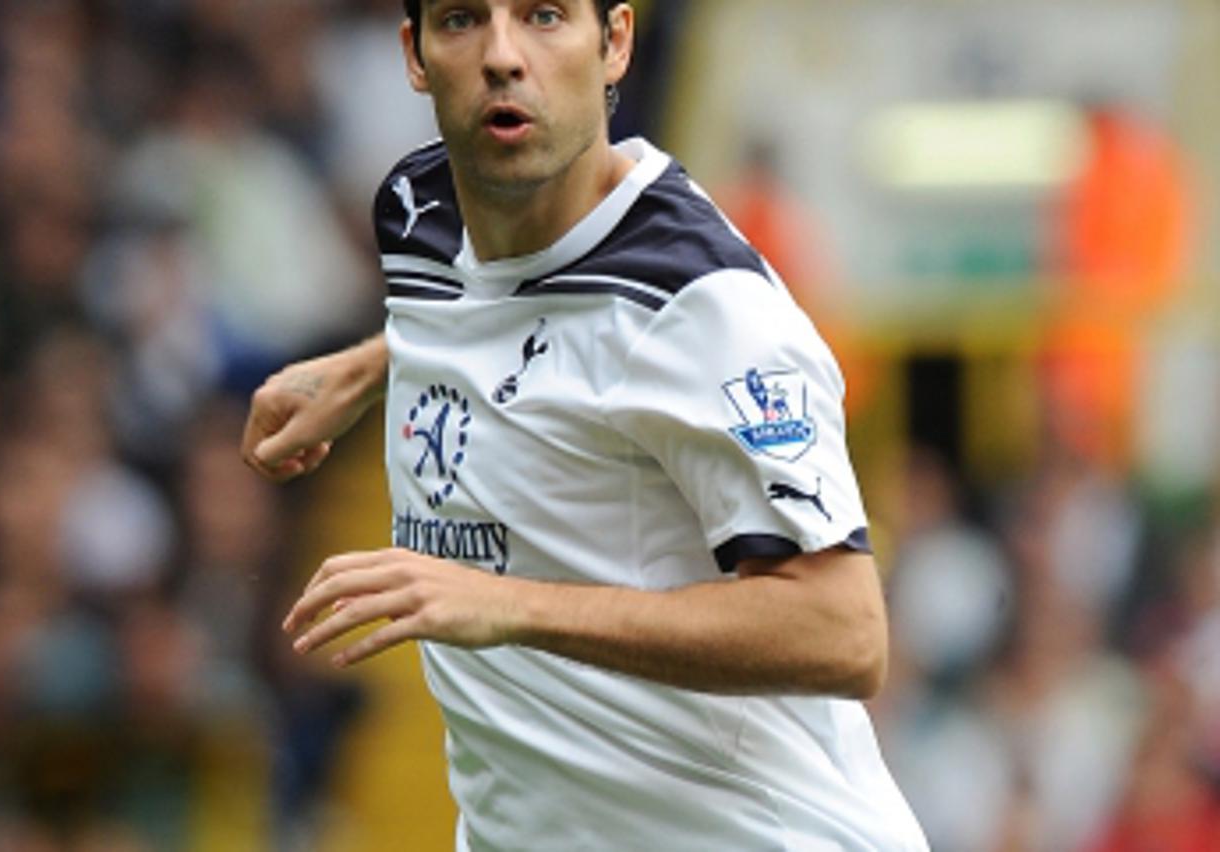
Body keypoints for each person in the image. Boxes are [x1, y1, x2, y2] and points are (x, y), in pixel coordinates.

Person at [241, 1, 928, 849]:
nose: (502, 55)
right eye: (461, 20)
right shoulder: (423, 212)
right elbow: (510, 304)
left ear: (616, 44)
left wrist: (512, 605)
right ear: (414, 56)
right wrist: (375, 364)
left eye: (543, 16)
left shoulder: (701, 310)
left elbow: (844, 631)